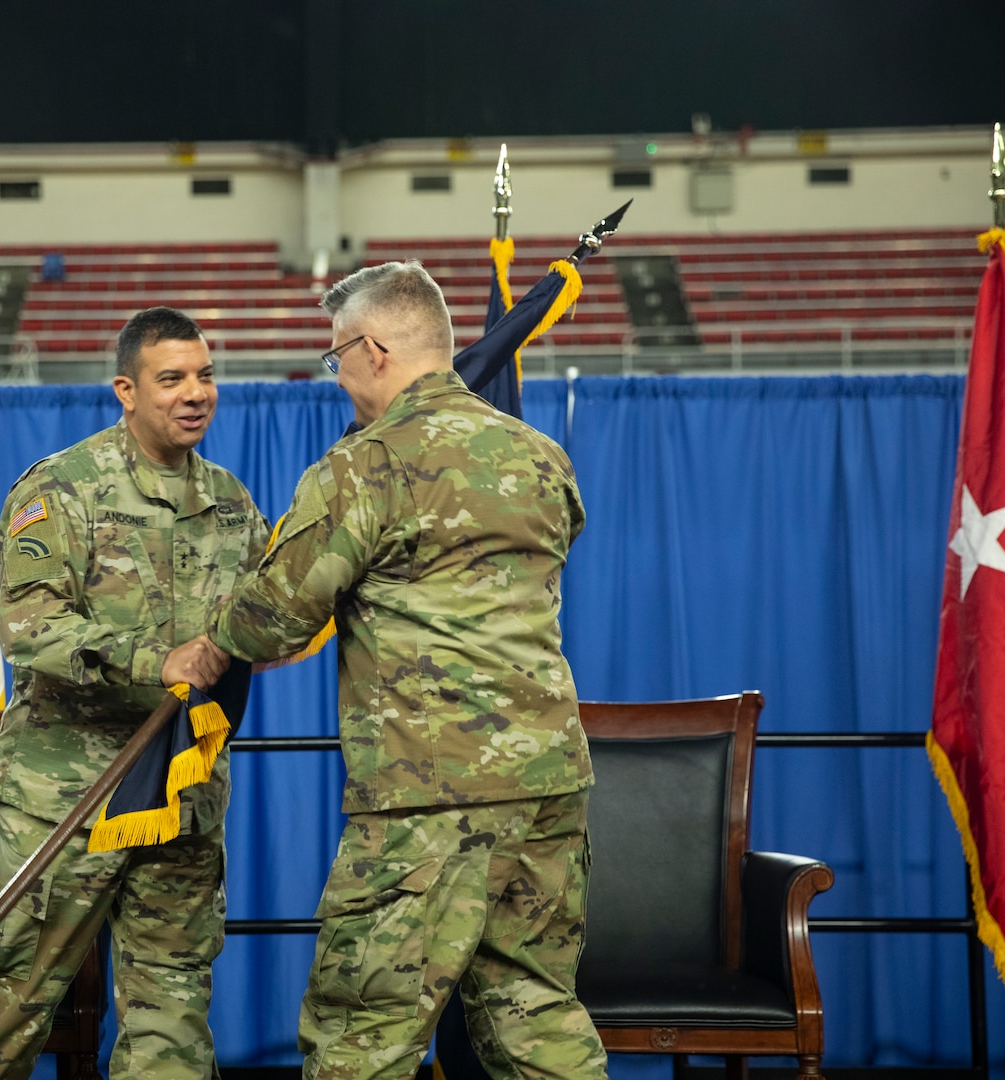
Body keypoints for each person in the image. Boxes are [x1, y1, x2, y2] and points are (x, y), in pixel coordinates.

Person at [203, 262, 607, 1080]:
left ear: (374, 348)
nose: (337, 375)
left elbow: (273, 618)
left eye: (335, 357)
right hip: (546, 785)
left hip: (427, 797)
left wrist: (215, 629)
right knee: (537, 1018)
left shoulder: (365, 467)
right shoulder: (540, 456)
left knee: (363, 1036)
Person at [0, 307, 268, 1080]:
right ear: (126, 389)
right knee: (3, 1009)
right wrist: (157, 660)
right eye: (172, 378)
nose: (195, 394)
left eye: (206, 375)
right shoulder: (63, 488)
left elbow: (255, 619)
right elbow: (29, 628)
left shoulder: (231, 501)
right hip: (64, 799)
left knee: (172, 1017)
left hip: (179, 795)